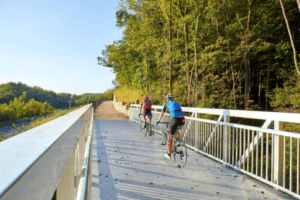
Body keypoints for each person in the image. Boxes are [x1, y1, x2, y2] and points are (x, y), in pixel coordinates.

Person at [156, 94, 185, 159]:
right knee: (176, 128)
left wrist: (158, 120)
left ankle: (169, 155)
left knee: (170, 137)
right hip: (182, 119)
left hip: (175, 119)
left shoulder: (166, 104)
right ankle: (178, 141)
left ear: (167, 99)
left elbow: (161, 113)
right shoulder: (176, 103)